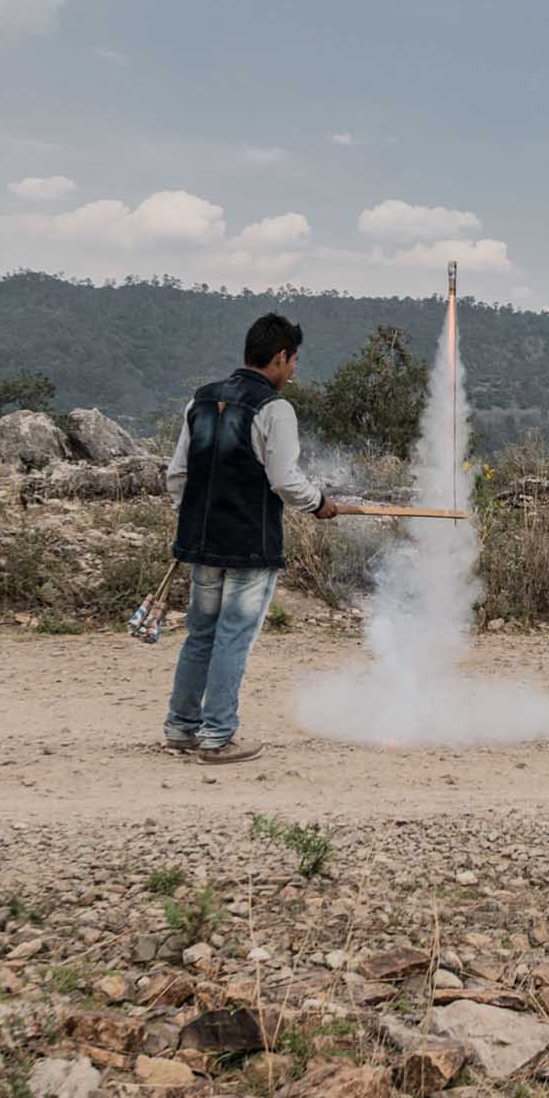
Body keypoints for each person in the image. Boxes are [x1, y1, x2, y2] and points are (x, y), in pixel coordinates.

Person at [162, 312, 337, 764]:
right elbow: (285, 480)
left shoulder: (200, 400)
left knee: (201, 634)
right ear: (280, 357)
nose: (293, 370)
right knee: (232, 637)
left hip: (202, 543)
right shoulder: (275, 410)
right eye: (293, 361)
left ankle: (181, 727)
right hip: (249, 546)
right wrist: (319, 503)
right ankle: (217, 736)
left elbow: (178, 474)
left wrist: (193, 518)